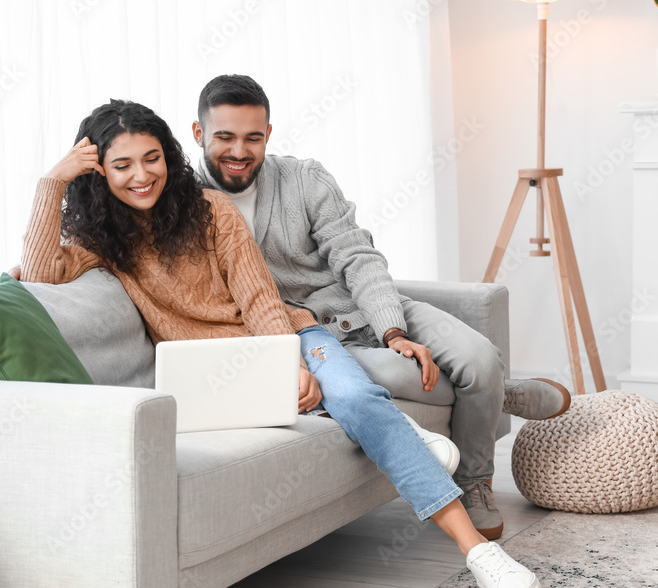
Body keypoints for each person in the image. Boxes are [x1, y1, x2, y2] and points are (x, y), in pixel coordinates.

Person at [19, 100, 544, 588]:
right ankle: (407, 434)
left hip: (292, 336)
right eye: (122, 164)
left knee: (357, 399)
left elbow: (260, 298)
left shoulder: (210, 211)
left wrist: (287, 362)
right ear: (98, 171)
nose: (141, 175)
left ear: (170, 154)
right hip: (216, 376)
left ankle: (480, 553)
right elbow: (40, 274)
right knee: (361, 405)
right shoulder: (101, 240)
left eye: (151, 158)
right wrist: (51, 184)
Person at [191, 75, 571, 541]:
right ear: (198, 134)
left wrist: (393, 330)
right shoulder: (185, 204)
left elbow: (357, 256)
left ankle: (488, 388)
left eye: (253, 137)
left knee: (480, 357)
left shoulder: (305, 178)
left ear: (268, 134)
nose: (239, 151)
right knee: (404, 378)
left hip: (368, 308)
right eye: (224, 137)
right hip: (316, 339)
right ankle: (481, 446)